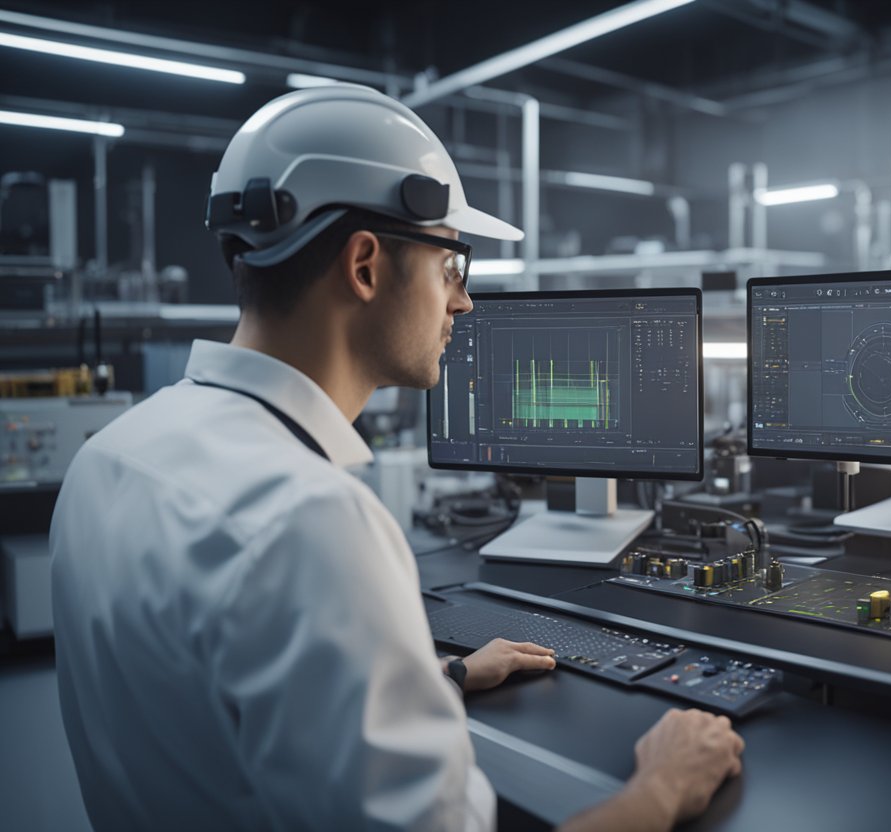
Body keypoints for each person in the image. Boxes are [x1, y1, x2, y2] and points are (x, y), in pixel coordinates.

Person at [50, 84, 743, 831]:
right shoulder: (310, 521)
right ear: (366, 266)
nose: (463, 303)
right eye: (452, 265)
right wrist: (662, 788)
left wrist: (437, 677)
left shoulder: (111, 459)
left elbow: (211, 713)